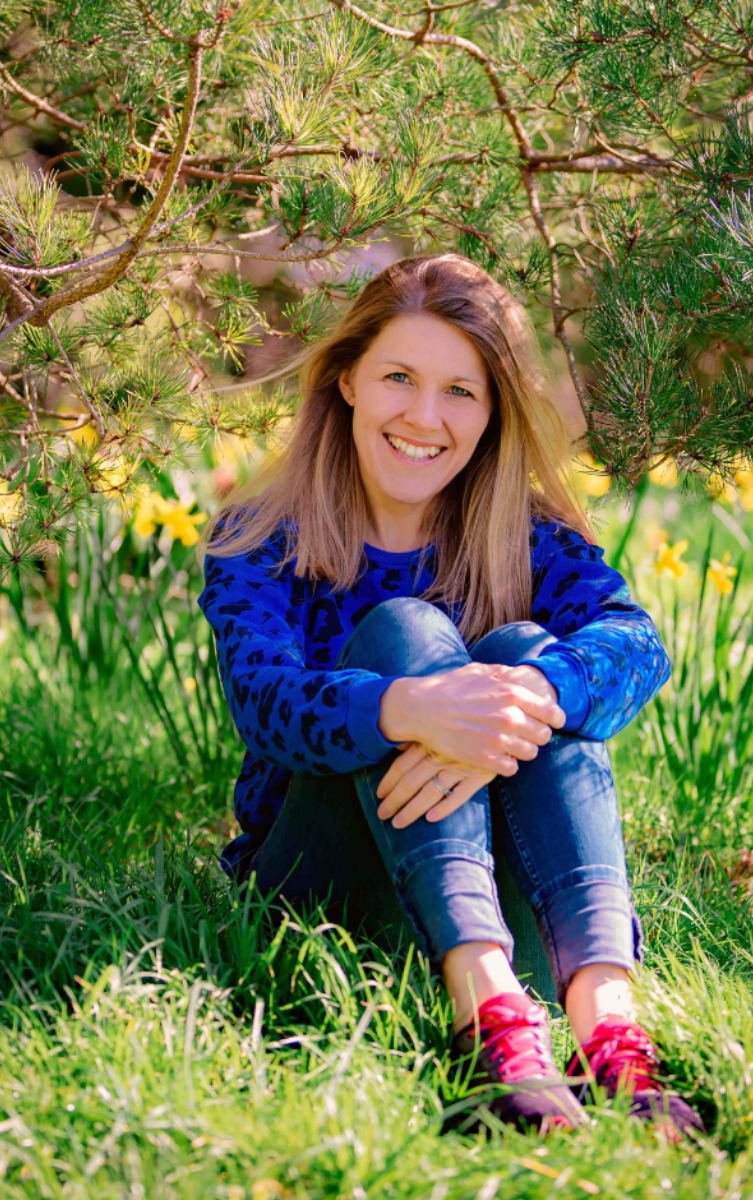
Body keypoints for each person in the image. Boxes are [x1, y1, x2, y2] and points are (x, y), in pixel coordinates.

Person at [197, 253, 704, 1137]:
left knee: (534, 655)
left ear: (493, 410)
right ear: (348, 378)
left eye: (460, 391)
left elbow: (637, 646)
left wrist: (529, 693)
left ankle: (608, 1031)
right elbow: (266, 701)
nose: (424, 417)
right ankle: (493, 1031)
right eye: (399, 376)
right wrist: (409, 710)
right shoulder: (258, 537)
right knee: (404, 635)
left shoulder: (528, 537)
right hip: (322, 902)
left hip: (515, 914)